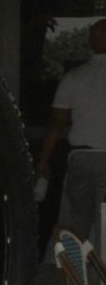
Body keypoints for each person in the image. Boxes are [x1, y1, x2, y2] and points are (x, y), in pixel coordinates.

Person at [43, 18, 106, 250]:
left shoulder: (73, 78)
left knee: (76, 223)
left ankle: (74, 276)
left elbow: (57, 124)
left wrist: (43, 161)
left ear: (90, 43)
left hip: (82, 160)